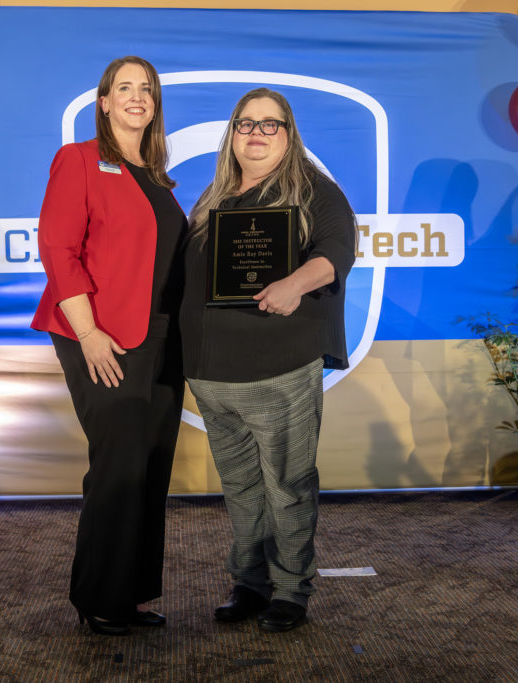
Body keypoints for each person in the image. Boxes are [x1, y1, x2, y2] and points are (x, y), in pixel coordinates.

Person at [180, 88, 356, 633]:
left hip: (279, 364)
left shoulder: (315, 191)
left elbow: (336, 253)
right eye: (245, 123)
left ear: (289, 133)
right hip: (212, 371)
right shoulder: (213, 196)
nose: (255, 133)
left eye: (269, 124)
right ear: (232, 132)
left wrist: (293, 285)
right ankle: (250, 584)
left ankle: (290, 591)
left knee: (287, 485)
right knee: (241, 488)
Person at [31, 56, 187, 636]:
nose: (137, 97)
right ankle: (98, 598)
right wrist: (91, 333)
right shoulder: (80, 160)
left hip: (162, 340)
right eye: (124, 88)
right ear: (103, 101)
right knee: (118, 467)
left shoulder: (160, 178)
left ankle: (136, 592)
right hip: (100, 335)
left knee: (150, 465)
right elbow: (57, 249)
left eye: (146, 89)